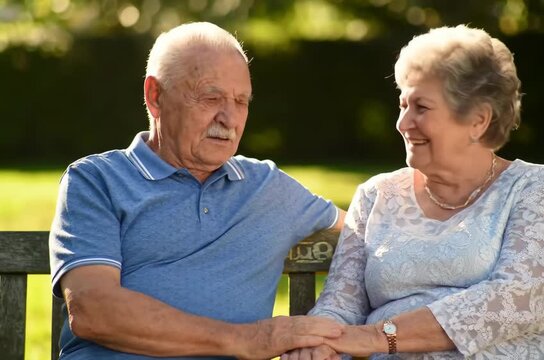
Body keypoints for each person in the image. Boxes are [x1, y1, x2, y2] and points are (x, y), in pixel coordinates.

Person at [48, 22, 346, 359]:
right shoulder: (97, 181)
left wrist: (344, 331)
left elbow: (377, 232)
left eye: (241, 101)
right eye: (211, 97)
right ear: (155, 96)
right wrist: (249, 339)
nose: (230, 119)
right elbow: (93, 311)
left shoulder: (267, 186)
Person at [283, 25, 544, 359]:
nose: (402, 123)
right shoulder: (376, 195)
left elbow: (518, 299)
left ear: (478, 120)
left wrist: (380, 337)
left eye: (420, 107)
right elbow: (341, 303)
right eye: (402, 104)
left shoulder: (534, 188)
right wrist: (319, 341)